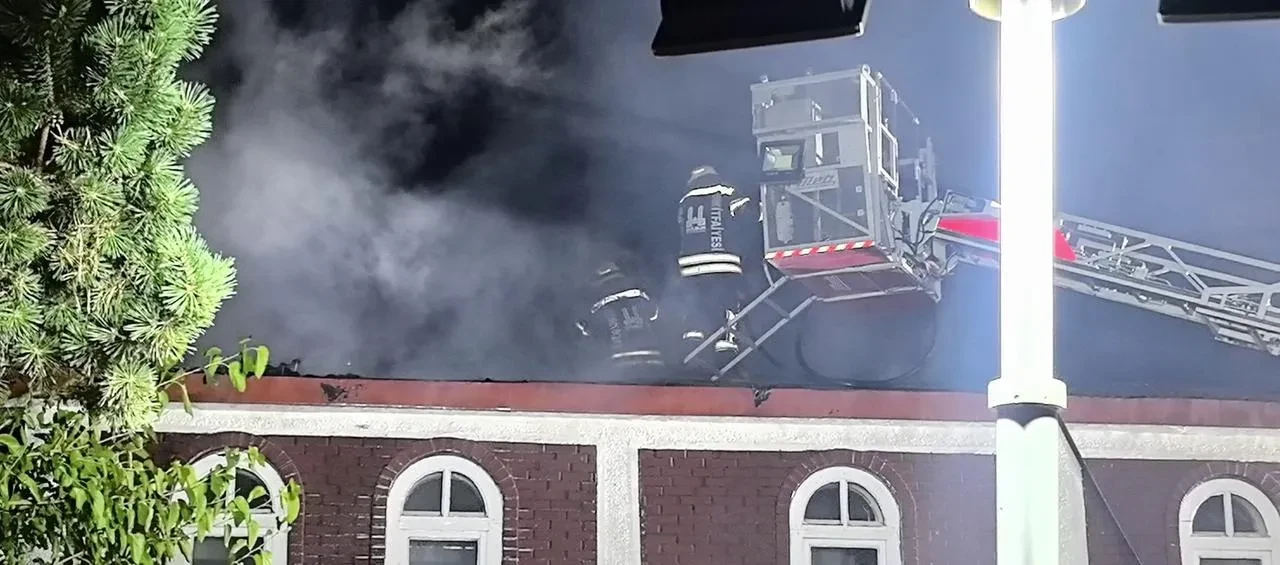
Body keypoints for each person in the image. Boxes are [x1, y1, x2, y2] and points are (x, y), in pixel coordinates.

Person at [676, 165, 754, 359]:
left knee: (696, 303)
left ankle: (693, 342)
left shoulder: (685, 200)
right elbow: (746, 211)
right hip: (721, 261)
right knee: (727, 302)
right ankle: (726, 346)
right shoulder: (725, 190)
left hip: (689, 265)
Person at [576, 260, 665, 370]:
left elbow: (591, 335)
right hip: (654, 362)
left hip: (621, 367)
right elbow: (655, 314)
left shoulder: (597, 308)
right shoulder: (641, 297)